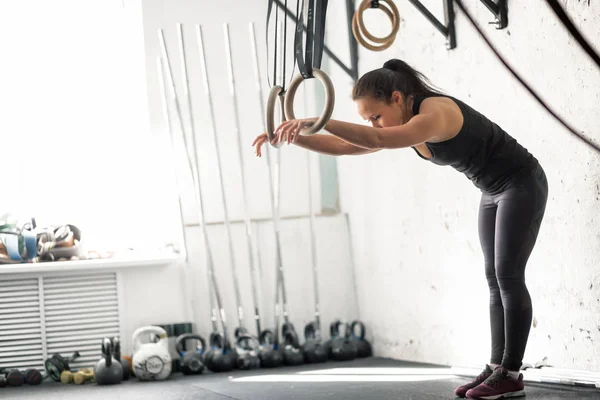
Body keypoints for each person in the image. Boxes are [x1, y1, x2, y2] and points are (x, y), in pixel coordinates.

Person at [252, 59, 548, 399]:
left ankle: (511, 372)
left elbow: (377, 136)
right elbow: (348, 146)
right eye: (368, 119)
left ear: (397, 98)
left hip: (522, 182)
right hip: (492, 190)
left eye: (375, 115)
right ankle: (497, 367)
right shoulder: (402, 119)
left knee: (508, 275)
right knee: (493, 279)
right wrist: (293, 137)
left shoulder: (433, 114)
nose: (372, 123)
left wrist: (315, 122)